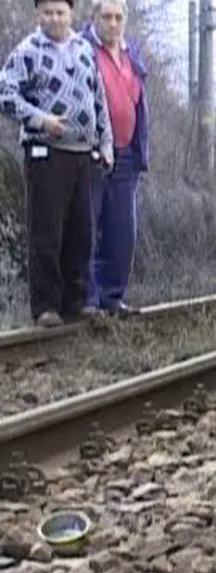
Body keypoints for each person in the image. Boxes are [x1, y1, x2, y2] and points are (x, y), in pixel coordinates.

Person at [0, 0, 113, 328]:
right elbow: (5, 93)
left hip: (83, 153)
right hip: (45, 151)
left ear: (71, 14)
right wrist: (40, 119)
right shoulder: (28, 50)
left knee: (81, 232)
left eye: (60, 12)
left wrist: (105, 142)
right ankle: (46, 305)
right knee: (47, 232)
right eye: (48, 12)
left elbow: (99, 99)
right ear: (39, 14)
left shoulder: (83, 49)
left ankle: (74, 302)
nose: (55, 18)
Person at [83, 0, 149, 316]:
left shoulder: (131, 55)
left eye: (118, 17)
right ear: (94, 18)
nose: (112, 23)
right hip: (91, 153)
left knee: (122, 230)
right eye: (106, 17)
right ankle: (88, 299)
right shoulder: (81, 50)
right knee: (87, 226)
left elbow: (138, 103)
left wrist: (140, 152)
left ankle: (112, 297)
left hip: (126, 153)